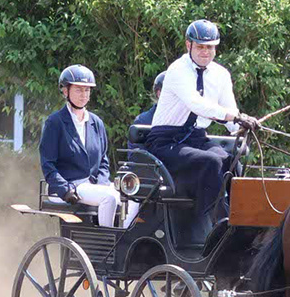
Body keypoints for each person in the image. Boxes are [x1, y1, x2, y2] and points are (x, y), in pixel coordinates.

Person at [142, 20, 254, 238]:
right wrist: (233, 116)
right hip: (166, 142)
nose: (206, 52)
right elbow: (197, 104)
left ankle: (242, 224)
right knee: (211, 163)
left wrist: (242, 126)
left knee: (232, 161)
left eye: (210, 47)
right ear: (188, 45)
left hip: (196, 138)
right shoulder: (177, 70)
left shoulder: (221, 75)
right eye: (201, 47)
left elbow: (230, 113)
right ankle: (218, 229)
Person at [38, 65, 124, 226]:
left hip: (93, 186)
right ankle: (107, 244)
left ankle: (125, 241)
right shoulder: (55, 123)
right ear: (65, 91)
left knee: (132, 197)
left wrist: (102, 182)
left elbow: (103, 160)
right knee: (110, 197)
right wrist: (64, 188)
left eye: (87, 90)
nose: (83, 95)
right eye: (78, 90)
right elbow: (48, 164)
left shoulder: (96, 123)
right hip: (70, 185)